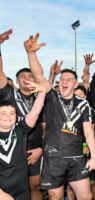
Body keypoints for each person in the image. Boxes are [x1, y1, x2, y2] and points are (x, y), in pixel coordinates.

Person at [24, 33, 95, 200]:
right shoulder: (52, 98)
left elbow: (88, 133)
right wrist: (31, 53)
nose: (64, 82)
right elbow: (39, 77)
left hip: (76, 158)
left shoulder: (83, 103)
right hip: (53, 158)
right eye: (62, 79)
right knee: (55, 196)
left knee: (86, 197)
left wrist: (93, 157)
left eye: (68, 79)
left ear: (76, 84)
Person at [0, 29, 44, 200]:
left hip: (34, 151)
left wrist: (41, 148)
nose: (26, 78)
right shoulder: (9, 95)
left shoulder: (41, 100)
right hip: (12, 148)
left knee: (34, 187)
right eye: (22, 76)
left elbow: (48, 127)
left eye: (29, 75)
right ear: (17, 81)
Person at [0, 80, 46, 200]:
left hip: (22, 193)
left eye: (12, 113)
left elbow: (35, 112)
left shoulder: (20, 129)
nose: (8, 116)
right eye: (3, 113)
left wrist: (42, 91)